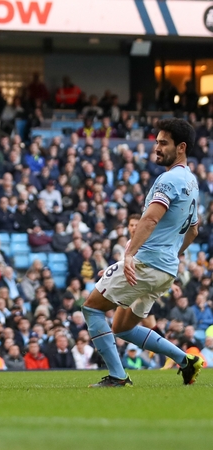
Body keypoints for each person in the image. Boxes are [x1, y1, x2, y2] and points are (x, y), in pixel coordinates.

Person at [82, 119, 204, 387]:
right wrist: (171, 256)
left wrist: (128, 258)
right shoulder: (192, 183)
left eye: (164, 143)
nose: (157, 148)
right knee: (122, 327)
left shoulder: (169, 179)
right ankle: (187, 361)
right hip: (165, 270)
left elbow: (148, 220)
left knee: (91, 309)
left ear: (181, 147)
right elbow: (193, 231)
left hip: (146, 264)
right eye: (157, 142)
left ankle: (117, 376)